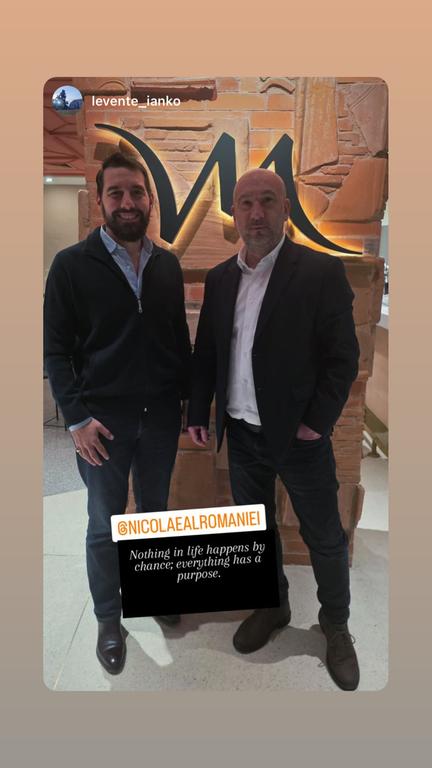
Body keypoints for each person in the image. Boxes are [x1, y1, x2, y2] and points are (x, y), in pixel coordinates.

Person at [187, 168, 360, 690]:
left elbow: (342, 359)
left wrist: (316, 423)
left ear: (286, 209)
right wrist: (198, 412)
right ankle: (272, 606)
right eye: (245, 203)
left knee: (323, 536)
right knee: (255, 529)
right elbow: (208, 352)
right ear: (234, 213)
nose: (256, 213)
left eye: (267, 201)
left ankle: (336, 624)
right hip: (242, 433)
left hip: (300, 439)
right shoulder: (221, 278)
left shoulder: (320, 272)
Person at [44, 152, 191, 675]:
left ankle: (153, 590)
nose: (127, 202)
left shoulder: (166, 265)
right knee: (104, 523)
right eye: (116, 193)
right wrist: (77, 420)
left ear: (149, 200)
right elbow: (55, 351)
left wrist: (189, 404)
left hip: (160, 419)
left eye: (136, 192)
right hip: (101, 425)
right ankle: (109, 618)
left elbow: (178, 340)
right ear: (101, 202)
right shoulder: (70, 266)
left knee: (154, 514)